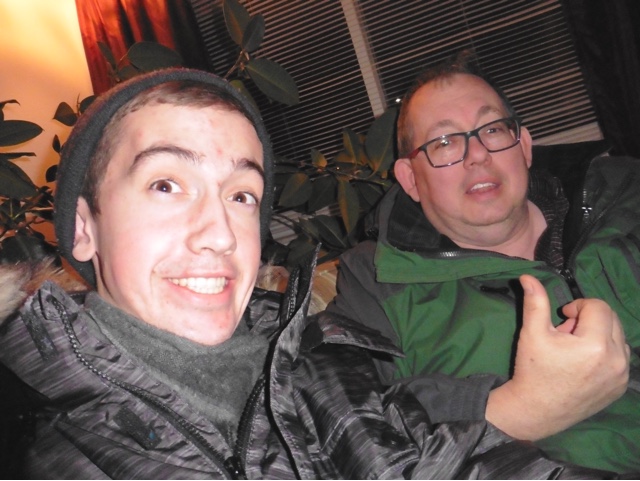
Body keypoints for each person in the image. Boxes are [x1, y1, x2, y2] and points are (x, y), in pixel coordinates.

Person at [0, 68, 613, 479]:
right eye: (166, 184)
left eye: (241, 195)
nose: (219, 233)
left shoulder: (311, 363)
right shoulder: (35, 431)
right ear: (83, 228)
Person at [326, 52, 640, 473]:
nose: (477, 154)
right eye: (444, 142)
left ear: (524, 147)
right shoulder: (373, 281)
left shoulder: (626, 195)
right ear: (411, 179)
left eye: (491, 130)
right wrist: (524, 408)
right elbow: (351, 426)